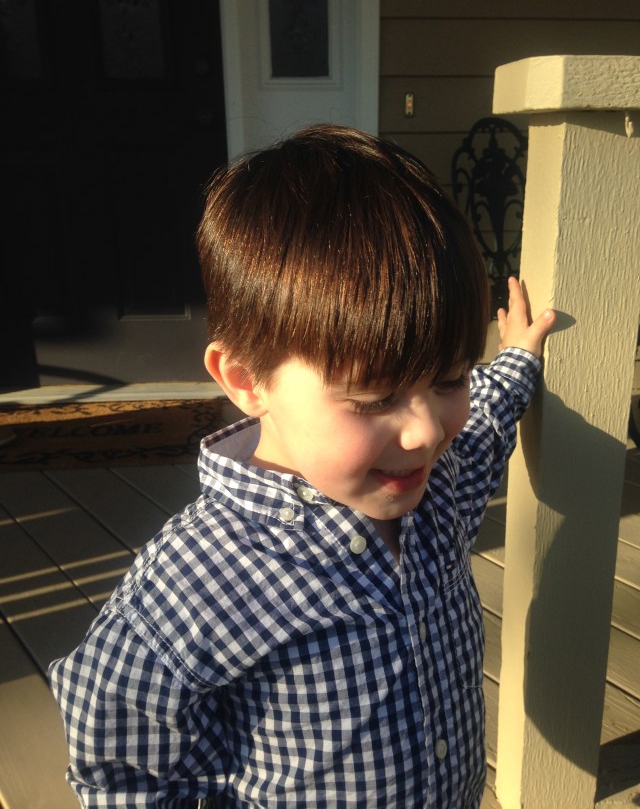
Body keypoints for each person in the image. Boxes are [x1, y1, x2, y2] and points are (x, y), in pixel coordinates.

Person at [49, 125, 555, 808]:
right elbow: (117, 750)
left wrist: (517, 357)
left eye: (449, 379)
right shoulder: (202, 576)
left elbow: (486, 422)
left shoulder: (440, 486)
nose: (426, 430)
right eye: (374, 398)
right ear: (247, 379)